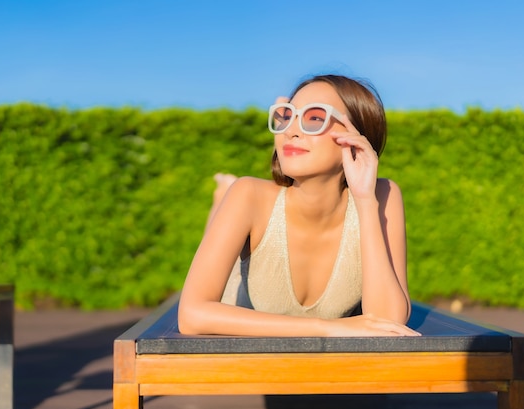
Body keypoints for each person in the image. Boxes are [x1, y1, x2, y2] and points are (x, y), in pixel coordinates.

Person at [178, 74, 420, 337]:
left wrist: (364, 201)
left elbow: (388, 322)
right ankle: (222, 192)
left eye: (314, 118)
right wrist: (325, 329)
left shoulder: (382, 195)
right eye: (287, 117)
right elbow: (191, 315)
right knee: (224, 210)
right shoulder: (248, 194)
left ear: (356, 136)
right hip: (241, 318)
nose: (291, 130)